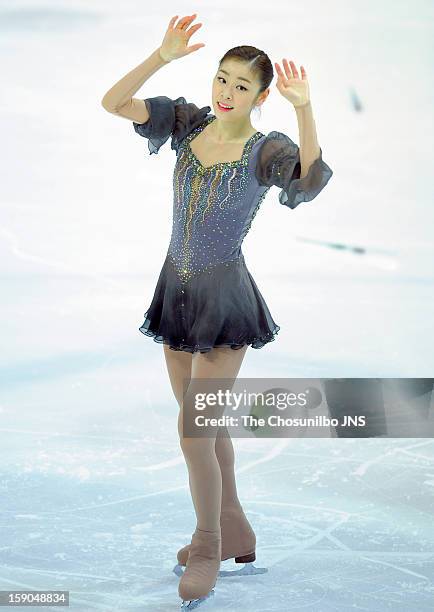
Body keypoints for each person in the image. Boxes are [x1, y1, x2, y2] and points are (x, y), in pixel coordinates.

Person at [101, 12, 333, 610]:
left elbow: (307, 180)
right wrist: (161, 56)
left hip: (225, 299)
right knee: (203, 424)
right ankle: (236, 528)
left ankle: (207, 543)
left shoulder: (267, 149)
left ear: (261, 98)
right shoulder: (185, 122)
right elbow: (113, 101)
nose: (226, 93)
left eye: (241, 87)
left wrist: (304, 108)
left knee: (194, 430)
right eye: (222, 79)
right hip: (174, 293)